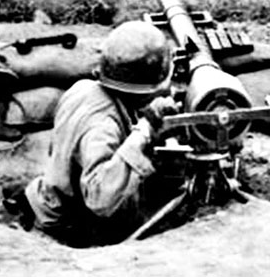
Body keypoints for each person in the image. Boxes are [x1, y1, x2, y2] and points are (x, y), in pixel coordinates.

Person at [14, 21, 180, 247]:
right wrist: (145, 129)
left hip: (48, 199)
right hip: (66, 227)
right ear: (144, 92)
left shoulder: (82, 88)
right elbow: (100, 198)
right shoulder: (103, 126)